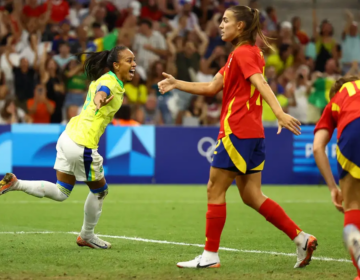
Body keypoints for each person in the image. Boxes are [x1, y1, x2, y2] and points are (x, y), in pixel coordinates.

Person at [158, 5, 317, 269]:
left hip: (237, 132)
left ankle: (210, 256)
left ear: (240, 26)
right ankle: (301, 238)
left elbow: (261, 83)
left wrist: (279, 113)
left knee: (214, 189)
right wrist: (177, 83)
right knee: (252, 195)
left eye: (225, 20)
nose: (220, 25)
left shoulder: (243, 53)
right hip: (252, 134)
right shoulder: (242, 54)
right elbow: (211, 87)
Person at [0, 45, 136, 249]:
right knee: (100, 191)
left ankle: (16, 184)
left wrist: (99, 99)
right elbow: (102, 92)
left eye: (134, 60)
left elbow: (101, 89)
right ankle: (86, 235)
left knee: (62, 191)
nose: (134, 64)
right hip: (83, 144)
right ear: (116, 65)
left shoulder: (104, 77)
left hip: (68, 137)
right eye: (129, 60)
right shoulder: (110, 82)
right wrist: (100, 100)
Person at [313, 76, 360, 280]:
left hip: (354, 130)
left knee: (352, 205)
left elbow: (317, 147)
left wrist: (333, 188)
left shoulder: (336, 100)